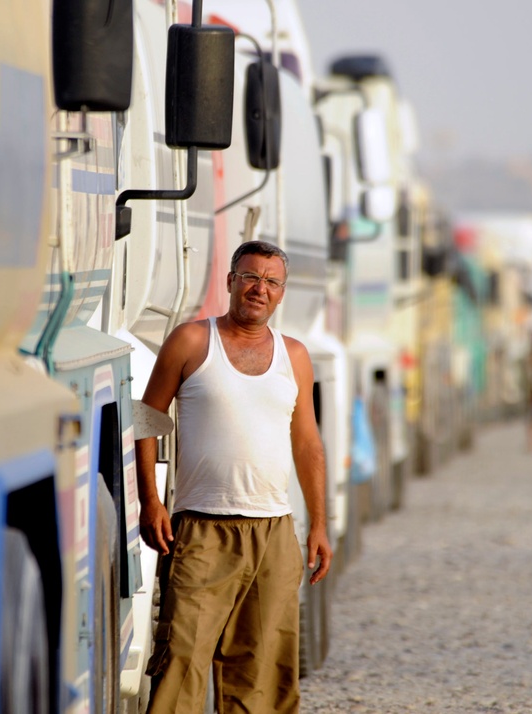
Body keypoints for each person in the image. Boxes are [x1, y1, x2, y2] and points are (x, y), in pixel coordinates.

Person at [138, 240, 332, 714]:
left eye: (270, 281)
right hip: (202, 530)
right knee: (181, 660)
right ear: (229, 281)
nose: (258, 288)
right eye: (249, 277)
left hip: (274, 533)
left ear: (281, 293)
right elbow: (146, 420)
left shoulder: (295, 356)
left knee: (263, 668)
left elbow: (307, 443)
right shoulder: (191, 341)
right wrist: (150, 501)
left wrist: (320, 524)